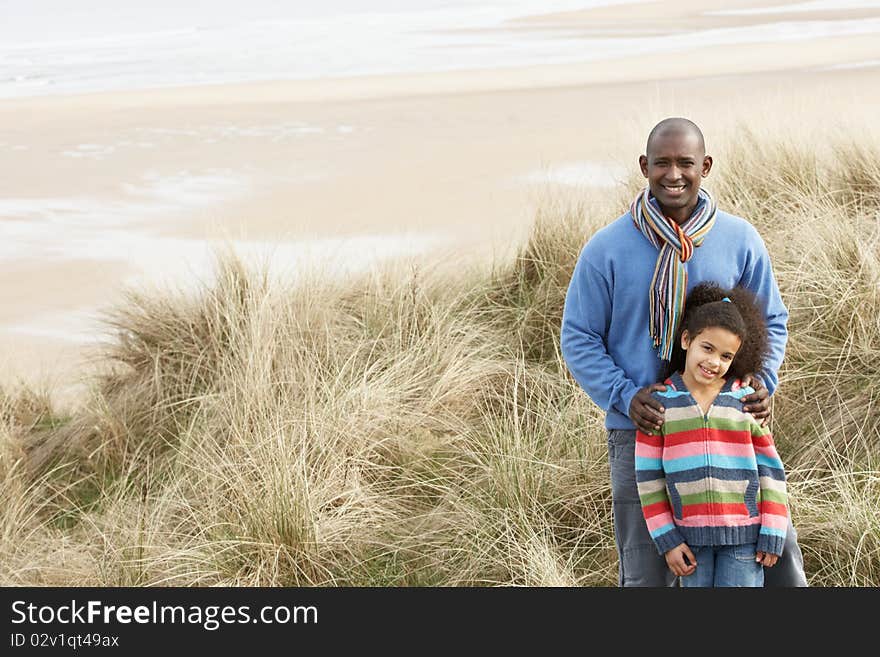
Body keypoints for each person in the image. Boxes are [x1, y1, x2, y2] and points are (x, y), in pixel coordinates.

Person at [560, 117, 806, 586]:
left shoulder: (739, 240)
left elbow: (772, 319)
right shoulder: (606, 249)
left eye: (686, 163)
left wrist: (763, 381)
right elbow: (579, 336)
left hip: (730, 425)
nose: (674, 174)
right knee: (647, 574)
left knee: (776, 565)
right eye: (662, 163)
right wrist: (625, 396)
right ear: (644, 167)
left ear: (705, 167)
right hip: (641, 431)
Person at [635, 283, 788, 587]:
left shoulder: (744, 400)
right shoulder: (661, 404)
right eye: (707, 348)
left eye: (727, 356)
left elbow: (771, 469)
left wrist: (773, 529)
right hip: (690, 545)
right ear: (686, 340)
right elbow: (649, 479)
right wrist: (667, 539)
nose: (715, 362)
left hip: (745, 541)